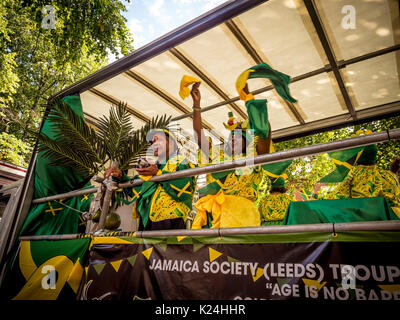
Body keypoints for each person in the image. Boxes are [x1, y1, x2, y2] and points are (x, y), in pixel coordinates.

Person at [185, 63, 297, 229]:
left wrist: (248, 98)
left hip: (243, 217)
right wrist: (196, 105)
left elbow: (264, 131)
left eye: (238, 137)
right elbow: (198, 134)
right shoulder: (219, 158)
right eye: (231, 137)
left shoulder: (255, 158)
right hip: (216, 217)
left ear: (249, 142)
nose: (232, 139)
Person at [106, 128, 196, 230]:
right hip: (147, 221)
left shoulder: (181, 162)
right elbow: (136, 189)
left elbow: (184, 193)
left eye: (158, 140)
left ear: (171, 143)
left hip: (171, 220)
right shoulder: (154, 166)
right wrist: (120, 176)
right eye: (152, 142)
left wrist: (158, 174)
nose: (154, 144)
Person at [322, 130, 400, 218]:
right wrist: (393, 172)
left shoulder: (352, 175)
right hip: (393, 223)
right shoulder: (388, 176)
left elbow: (336, 199)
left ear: (356, 157)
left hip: (366, 224)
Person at [258, 160, 296, 225]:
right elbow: (294, 215)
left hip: (266, 230)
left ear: (272, 187)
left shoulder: (263, 200)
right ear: (283, 186)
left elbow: (258, 217)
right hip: (285, 229)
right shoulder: (289, 199)